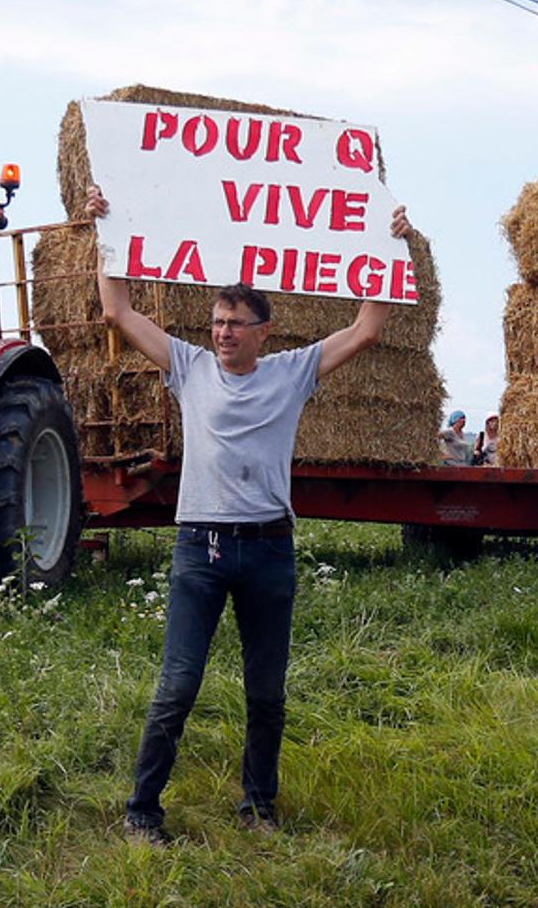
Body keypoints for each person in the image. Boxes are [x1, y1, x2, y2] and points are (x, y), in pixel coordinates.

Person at [86, 184, 414, 842]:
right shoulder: (189, 366)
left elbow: (368, 327)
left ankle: (259, 808)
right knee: (178, 685)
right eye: (216, 323)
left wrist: (391, 245)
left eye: (235, 324)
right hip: (199, 551)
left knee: (266, 693)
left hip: (268, 550)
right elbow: (118, 309)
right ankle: (141, 812)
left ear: (263, 331)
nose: (222, 333)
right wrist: (106, 231)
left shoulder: (291, 372)